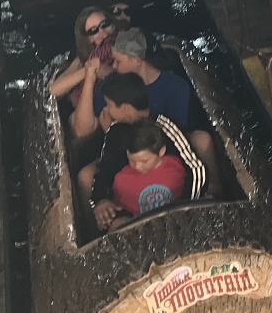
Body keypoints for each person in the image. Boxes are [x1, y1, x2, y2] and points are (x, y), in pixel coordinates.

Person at [75, 72, 208, 230]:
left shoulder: (164, 127)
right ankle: (93, 233)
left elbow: (193, 168)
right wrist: (101, 201)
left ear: (125, 108)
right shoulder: (116, 132)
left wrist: (186, 205)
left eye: (109, 105)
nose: (107, 110)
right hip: (128, 203)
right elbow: (106, 169)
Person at [77, 28, 191, 132]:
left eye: (118, 61)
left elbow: (174, 133)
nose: (114, 66)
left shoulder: (175, 87)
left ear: (136, 60)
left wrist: (111, 131)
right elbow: (82, 130)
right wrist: (89, 79)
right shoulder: (112, 82)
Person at [105, 123, 188, 231]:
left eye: (144, 161)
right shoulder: (122, 180)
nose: (138, 166)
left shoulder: (177, 167)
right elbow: (120, 213)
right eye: (132, 161)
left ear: (161, 151)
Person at [48, 6, 116, 109]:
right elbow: (55, 90)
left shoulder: (125, 43)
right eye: (94, 30)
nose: (103, 32)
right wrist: (92, 70)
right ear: (88, 39)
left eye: (104, 24)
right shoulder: (84, 58)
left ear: (113, 24)